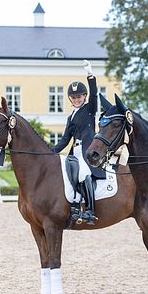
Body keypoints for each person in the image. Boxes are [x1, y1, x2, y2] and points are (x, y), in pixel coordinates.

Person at [51, 60, 99, 225]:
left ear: (84, 96)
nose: (76, 99)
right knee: (67, 175)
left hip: (88, 151)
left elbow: (94, 94)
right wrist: (50, 151)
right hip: (75, 152)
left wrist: (90, 76)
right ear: (70, 99)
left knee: (84, 172)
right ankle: (75, 205)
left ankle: (91, 211)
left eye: (79, 96)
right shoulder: (70, 117)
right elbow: (65, 139)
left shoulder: (90, 109)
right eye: (73, 97)